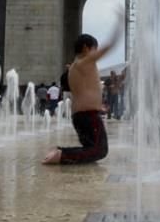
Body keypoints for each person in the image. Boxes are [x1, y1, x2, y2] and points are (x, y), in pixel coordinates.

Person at [43, 12, 121, 165]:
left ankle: (58, 150)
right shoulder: (84, 62)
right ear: (86, 48)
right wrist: (119, 26)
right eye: (94, 49)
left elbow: (85, 90)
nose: (95, 53)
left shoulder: (73, 67)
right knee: (99, 150)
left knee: (90, 147)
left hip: (81, 116)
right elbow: (109, 47)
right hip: (88, 116)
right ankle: (61, 155)